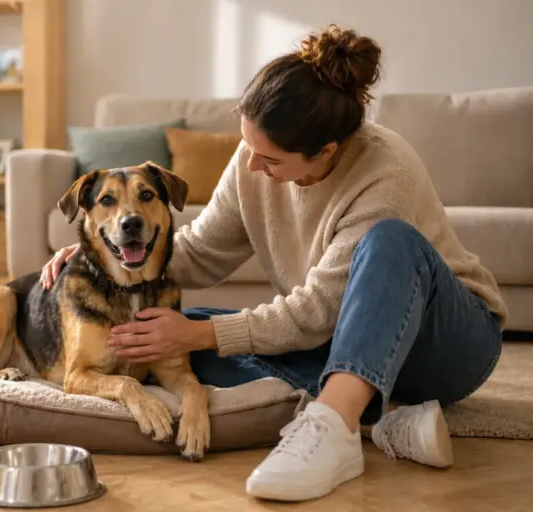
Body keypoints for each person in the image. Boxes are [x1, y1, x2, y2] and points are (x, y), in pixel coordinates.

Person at [40, 25, 506, 502]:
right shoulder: (255, 158)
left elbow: (315, 312)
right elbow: (200, 251)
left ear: (325, 152)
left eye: (269, 160)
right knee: (174, 333)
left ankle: (334, 429)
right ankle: (383, 422)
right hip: (343, 342)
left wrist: (201, 334)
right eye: (248, 148)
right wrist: (103, 259)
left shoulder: (387, 175)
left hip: (444, 349)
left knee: (389, 241)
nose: (251, 168)